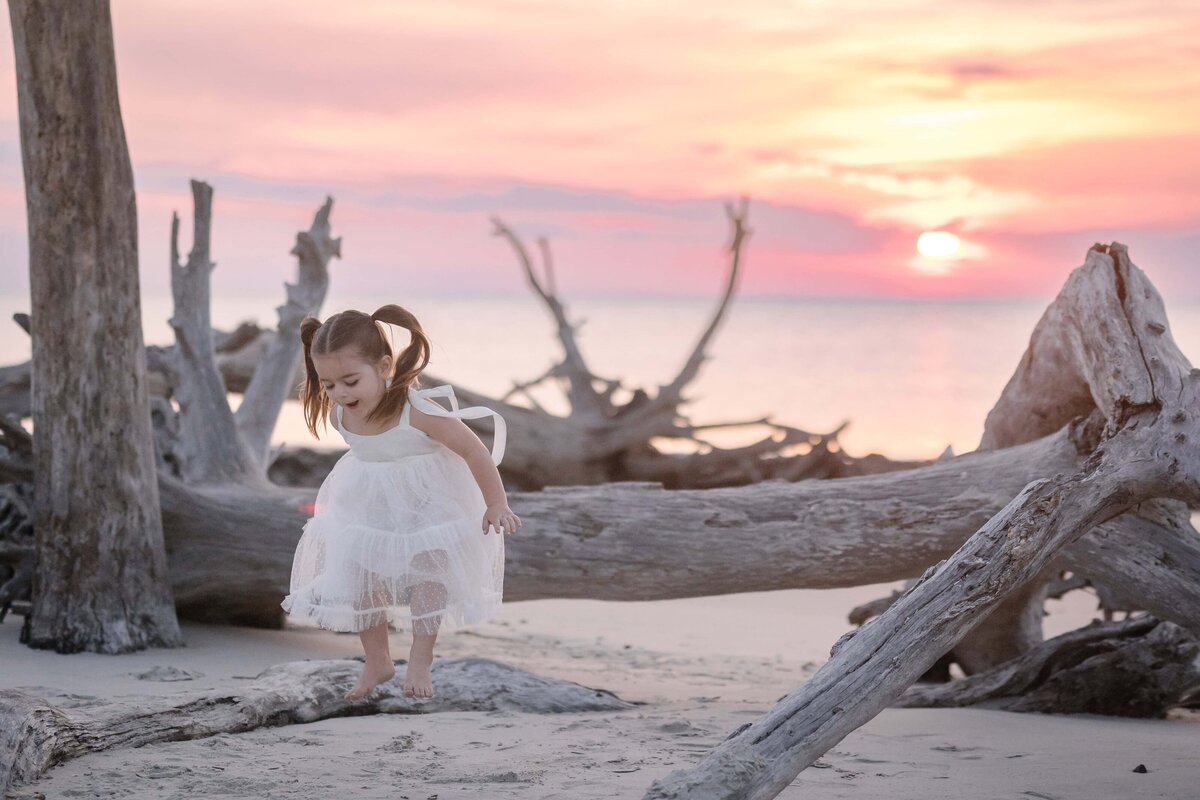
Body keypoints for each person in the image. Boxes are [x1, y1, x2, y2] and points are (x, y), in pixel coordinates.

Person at [280, 304, 520, 701]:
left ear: (385, 367)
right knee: (361, 579)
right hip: (369, 501)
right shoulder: (342, 414)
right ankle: (377, 660)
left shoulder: (417, 409)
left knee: (431, 572)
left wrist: (496, 503)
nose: (340, 393)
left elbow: (474, 450)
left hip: (430, 500)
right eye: (329, 384)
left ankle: (422, 656)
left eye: (350, 381)